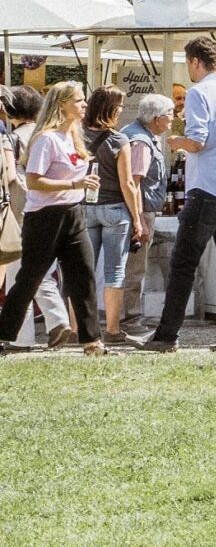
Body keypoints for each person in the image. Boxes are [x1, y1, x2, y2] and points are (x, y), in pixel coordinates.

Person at [137, 39, 216, 354]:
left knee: (183, 262)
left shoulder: (200, 93)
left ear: (195, 62)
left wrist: (177, 141)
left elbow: (198, 141)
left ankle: (166, 336)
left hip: (208, 186)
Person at [0, 81, 104, 354]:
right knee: (30, 278)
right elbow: (33, 181)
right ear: (62, 105)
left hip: (73, 213)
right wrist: (74, 184)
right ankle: (5, 333)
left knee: (84, 275)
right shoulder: (46, 138)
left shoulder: (73, 135)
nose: (84, 105)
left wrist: (80, 186)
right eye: (79, 100)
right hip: (45, 217)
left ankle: (92, 341)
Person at [82, 86, 147, 345]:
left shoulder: (77, 136)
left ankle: (79, 328)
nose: (121, 110)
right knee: (115, 272)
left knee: (82, 271)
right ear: (110, 109)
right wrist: (138, 219)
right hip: (115, 210)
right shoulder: (119, 140)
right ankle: (112, 329)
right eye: (119, 107)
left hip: (84, 207)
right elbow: (128, 184)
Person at [116, 94, 176, 345]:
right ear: (157, 118)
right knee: (134, 268)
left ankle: (121, 317)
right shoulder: (141, 140)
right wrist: (139, 218)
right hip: (139, 210)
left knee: (127, 266)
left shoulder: (134, 133)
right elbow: (135, 182)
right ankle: (130, 318)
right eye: (170, 114)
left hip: (132, 209)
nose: (173, 118)